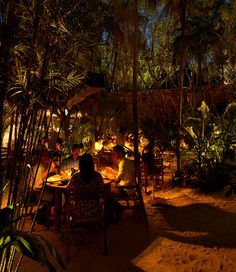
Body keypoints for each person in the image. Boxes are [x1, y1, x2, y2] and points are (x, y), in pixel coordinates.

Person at [68, 153, 104, 218]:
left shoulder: (75, 177)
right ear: (92, 164)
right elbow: (102, 189)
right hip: (95, 210)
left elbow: (69, 189)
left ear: (80, 164)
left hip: (78, 210)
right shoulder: (98, 176)